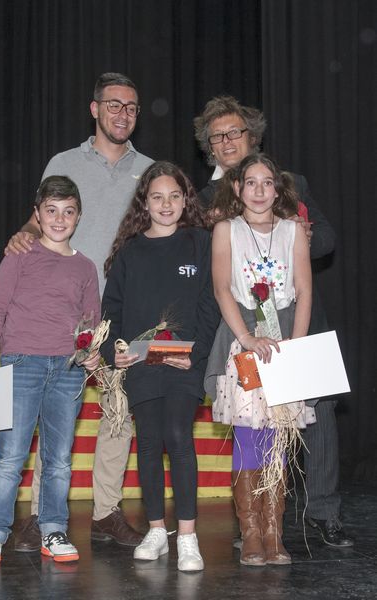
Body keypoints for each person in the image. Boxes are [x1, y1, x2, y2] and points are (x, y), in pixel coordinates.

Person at [194, 95, 353, 548]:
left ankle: (324, 513)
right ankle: (254, 526)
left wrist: (298, 234)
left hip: (296, 316)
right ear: (209, 146)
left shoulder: (291, 183)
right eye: (217, 136)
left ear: (252, 136)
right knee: (251, 421)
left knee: (319, 411)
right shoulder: (203, 199)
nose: (227, 142)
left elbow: (326, 237)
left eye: (235, 132)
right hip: (240, 322)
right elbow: (206, 268)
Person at [6, 73, 153, 551]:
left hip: (122, 314)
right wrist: (23, 234)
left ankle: (106, 512)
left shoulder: (149, 171)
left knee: (118, 415)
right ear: (94, 109)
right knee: (50, 418)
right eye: (113, 105)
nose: (122, 114)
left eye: (131, 107)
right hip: (62, 315)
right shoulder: (64, 162)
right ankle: (39, 516)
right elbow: (41, 218)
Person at [0, 176, 101, 572]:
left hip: (68, 371)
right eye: (51, 211)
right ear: (37, 215)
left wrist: (91, 353)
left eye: (68, 211)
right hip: (21, 364)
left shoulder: (85, 267)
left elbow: (91, 321)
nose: (59, 219)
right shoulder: (19, 256)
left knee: (59, 459)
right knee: (9, 457)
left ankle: (53, 529)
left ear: (78, 217)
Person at [100, 161, 220, 571]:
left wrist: (196, 355)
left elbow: (210, 304)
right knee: (149, 442)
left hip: (186, 363)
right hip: (141, 362)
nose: (166, 204)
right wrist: (112, 352)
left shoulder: (201, 243)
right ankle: (156, 530)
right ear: (144, 203)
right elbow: (112, 310)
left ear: (185, 200)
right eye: (157, 197)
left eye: (174, 196)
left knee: (178, 435)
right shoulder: (130, 251)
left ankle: (187, 536)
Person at [205, 153, 315, 566]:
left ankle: (273, 531)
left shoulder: (292, 230)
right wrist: (247, 337)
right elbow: (222, 289)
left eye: (267, 182)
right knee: (249, 434)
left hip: (284, 340)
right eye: (251, 182)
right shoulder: (226, 229)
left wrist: (296, 347)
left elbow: (303, 290)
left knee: (278, 437)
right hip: (244, 341)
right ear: (238, 188)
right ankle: (250, 531)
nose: (259, 190)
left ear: (277, 188)